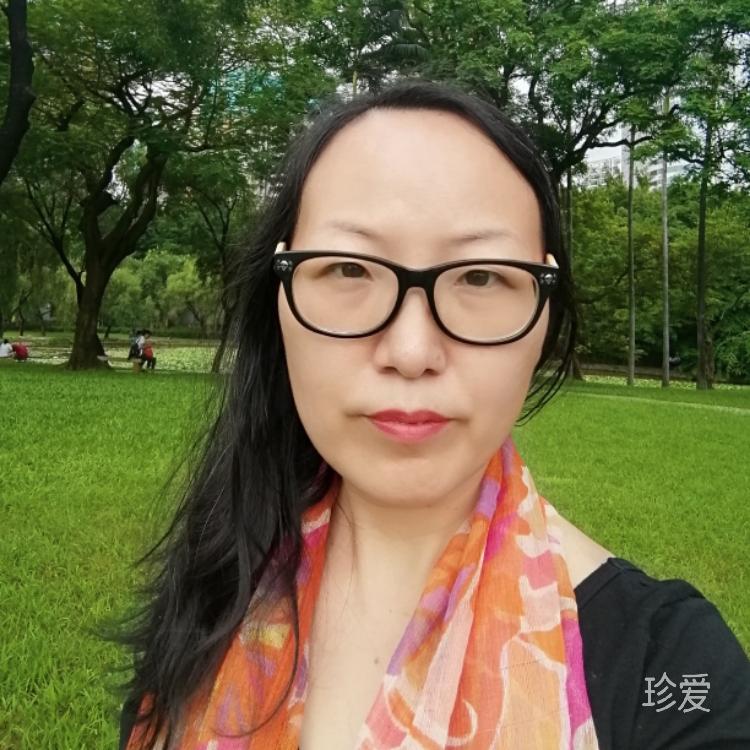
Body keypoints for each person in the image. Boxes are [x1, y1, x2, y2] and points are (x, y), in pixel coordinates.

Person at [117, 80, 750, 750]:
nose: (412, 352)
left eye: (480, 276)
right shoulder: (214, 586)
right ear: (280, 297)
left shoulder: (669, 667)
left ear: (544, 314)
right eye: (349, 269)